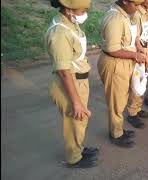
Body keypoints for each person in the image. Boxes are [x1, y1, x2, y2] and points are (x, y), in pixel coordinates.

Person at [46, 0, 98, 168]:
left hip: (78, 80)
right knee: (74, 121)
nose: (84, 14)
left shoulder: (69, 23)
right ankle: (74, 158)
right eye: (82, 10)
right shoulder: (60, 33)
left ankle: (78, 149)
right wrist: (76, 102)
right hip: (69, 83)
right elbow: (63, 71)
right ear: (68, 9)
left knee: (79, 122)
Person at [97, 0, 148, 148]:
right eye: (136, 4)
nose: (138, 7)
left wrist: (138, 50)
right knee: (116, 102)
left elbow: (131, 39)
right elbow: (112, 49)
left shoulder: (126, 14)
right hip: (115, 63)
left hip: (125, 61)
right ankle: (116, 134)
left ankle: (118, 129)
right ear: (125, 1)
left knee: (122, 97)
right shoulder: (114, 18)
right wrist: (135, 56)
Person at [126, 0, 148, 129]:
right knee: (136, 80)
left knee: (144, 79)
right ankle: (132, 113)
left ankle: (138, 108)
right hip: (140, 51)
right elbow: (135, 38)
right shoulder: (137, 14)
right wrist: (142, 54)